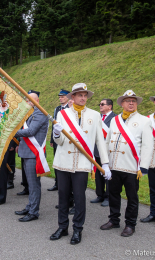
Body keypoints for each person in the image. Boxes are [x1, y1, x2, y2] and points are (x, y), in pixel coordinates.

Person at [50, 83, 111, 245]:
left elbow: (100, 140)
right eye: (80, 95)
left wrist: (105, 163)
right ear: (73, 97)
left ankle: (78, 229)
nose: (83, 98)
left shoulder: (95, 115)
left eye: (85, 95)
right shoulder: (63, 114)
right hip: (63, 162)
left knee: (79, 197)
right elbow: (60, 141)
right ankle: (62, 227)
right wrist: (56, 133)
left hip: (83, 163)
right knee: (63, 196)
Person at [100, 90, 153, 237]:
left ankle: (130, 224)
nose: (131, 103)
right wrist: (105, 162)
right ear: (122, 103)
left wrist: (143, 167)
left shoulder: (144, 121)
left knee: (132, 197)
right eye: (128, 100)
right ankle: (114, 220)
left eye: (133, 101)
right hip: (114, 165)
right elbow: (106, 141)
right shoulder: (115, 120)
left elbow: (148, 145)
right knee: (113, 194)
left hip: (131, 167)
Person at [14, 91, 49, 222]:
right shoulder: (31, 113)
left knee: (34, 184)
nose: (27, 102)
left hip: (33, 154)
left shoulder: (39, 112)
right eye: (26, 100)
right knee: (30, 183)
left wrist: (12, 132)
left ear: (37, 101)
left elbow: (31, 131)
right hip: (27, 152)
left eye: (29, 100)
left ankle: (33, 211)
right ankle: (30, 206)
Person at [140, 89, 155, 228]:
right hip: (152, 161)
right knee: (153, 189)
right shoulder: (148, 119)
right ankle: (154, 213)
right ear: (154, 101)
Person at [90, 99, 117, 207]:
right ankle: (100, 194)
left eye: (102, 104)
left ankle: (108, 196)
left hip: (108, 151)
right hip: (97, 151)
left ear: (110, 106)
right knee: (98, 174)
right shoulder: (98, 118)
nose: (100, 106)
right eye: (99, 104)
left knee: (108, 175)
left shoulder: (115, 118)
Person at [49, 89, 70, 191]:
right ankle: (57, 183)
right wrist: (52, 139)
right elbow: (54, 125)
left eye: (62, 97)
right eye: (60, 97)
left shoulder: (70, 108)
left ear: (68, 97)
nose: (60, 98)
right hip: (57, 138)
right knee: (57, 161)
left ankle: (65, 184)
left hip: (66, 139)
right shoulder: (57, 109)